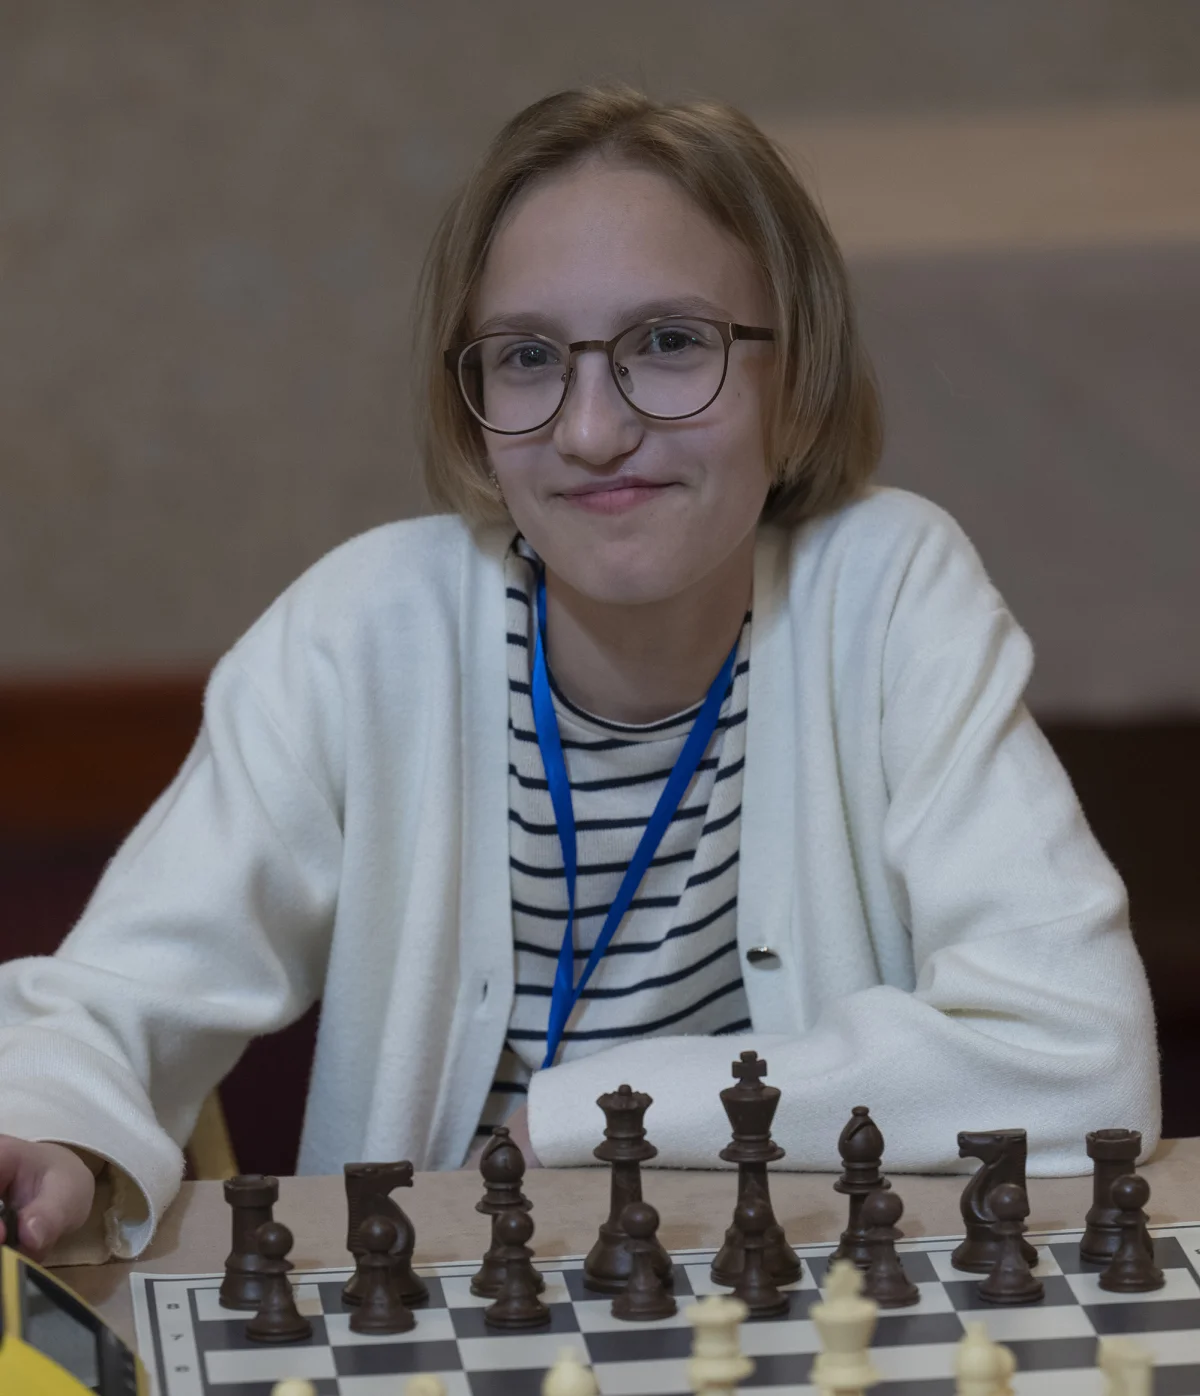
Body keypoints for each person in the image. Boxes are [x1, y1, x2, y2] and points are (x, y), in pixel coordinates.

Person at [0, 82, 1160, 1267]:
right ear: (471, 404)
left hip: (804, 1297)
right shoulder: (363, 633)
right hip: (447, 1298)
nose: (592, 431)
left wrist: (594, 1118)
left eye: (670, 343)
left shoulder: (893, 592)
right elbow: (108, 999)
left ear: (796, 373)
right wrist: (55, 1127)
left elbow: (1080, 1052)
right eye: (527, 357)